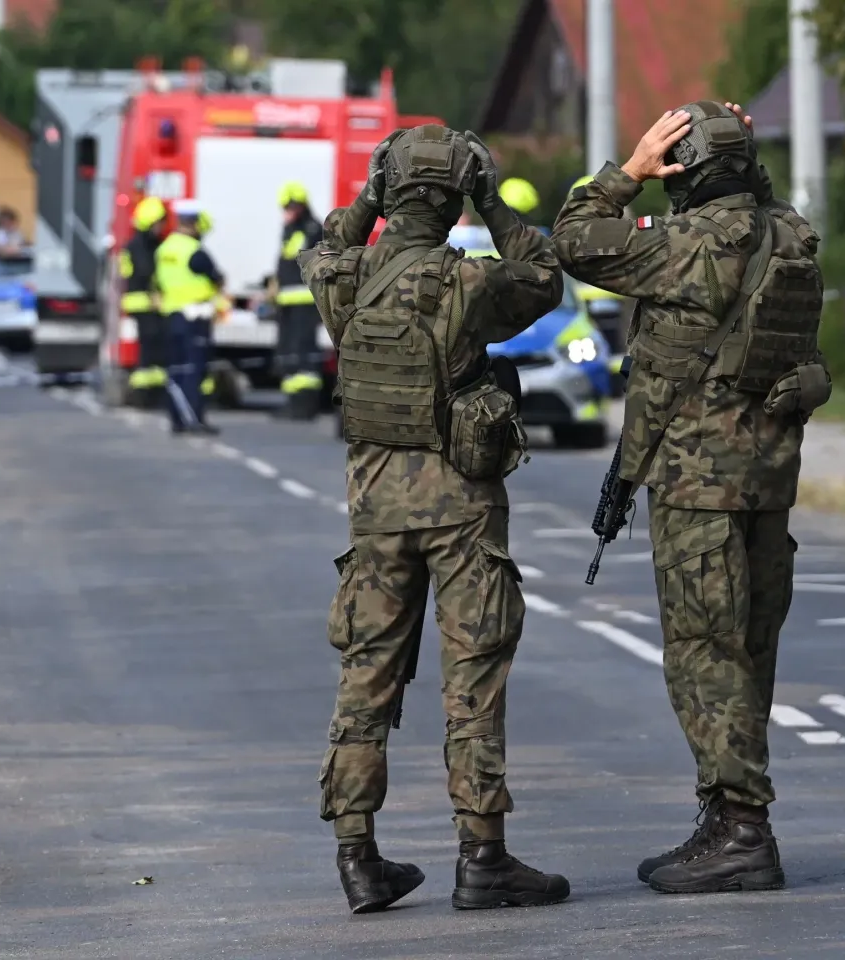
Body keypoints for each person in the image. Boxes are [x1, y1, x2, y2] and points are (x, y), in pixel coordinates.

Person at [552, 101, 832, 895]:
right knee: (745, 655)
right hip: (768, 485)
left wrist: (631, 171)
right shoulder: (794, 238)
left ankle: (742, 831)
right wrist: (736, 155)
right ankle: (723, 816)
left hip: (697, 486)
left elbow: (573, 240)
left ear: (687, 175)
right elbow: (762, 209)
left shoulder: (682, 246)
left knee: (705, 657)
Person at [300, 124, 570, 914]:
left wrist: (366, 197)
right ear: (455, 198)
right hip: (461, 507)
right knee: (472, 680)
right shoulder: (469, 285)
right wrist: (490, 201)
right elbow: (545, 275)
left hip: (376, 506)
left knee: (366, 674)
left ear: (388, 195)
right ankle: (483, 857)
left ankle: (358, 856)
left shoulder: (342, 277)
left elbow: (324, 243)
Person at [155, 200, 224, 435]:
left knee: (176, 369)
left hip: (172, 315)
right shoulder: (195, 251)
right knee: (195, 370)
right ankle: (194, 418)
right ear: (194, 224)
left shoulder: (165, 249)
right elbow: (216, 277)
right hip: (195, 317)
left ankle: (177, 418)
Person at [272, 181, 325, 420]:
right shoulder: (291, 228)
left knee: (304, 353)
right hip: (288, 301)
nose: (289, 210)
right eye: (286, 206)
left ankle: (305, 404)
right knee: (289, 352)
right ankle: (292, 402)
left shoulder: (312, 229)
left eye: (292, 206)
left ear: (302, 205)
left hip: (304, 301)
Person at [121, 196, 169, 408]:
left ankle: (152, 391)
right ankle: (142, 393)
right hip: (143, 302)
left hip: (146, 302)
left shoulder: (140, 244)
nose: (161, 227)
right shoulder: (140, 246)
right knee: (148, 350)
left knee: (154, 349)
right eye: (159, 222)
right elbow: (145, 271)